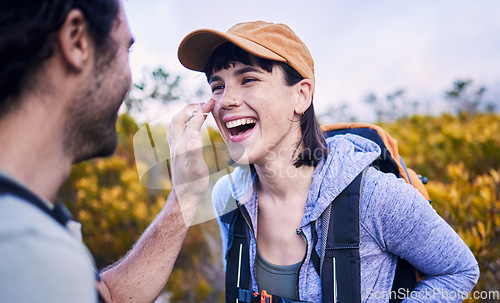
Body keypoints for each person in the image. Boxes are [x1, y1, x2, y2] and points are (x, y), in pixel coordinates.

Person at [177, 21, 480, 302]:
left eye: (248, 79)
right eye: (218, 86)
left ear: (301, 96)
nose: (226, 100)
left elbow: (459, 272)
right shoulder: (228, 197)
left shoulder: (374, 196)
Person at [0, 1, 214, 302]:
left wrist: (186, 196)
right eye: (127, 50)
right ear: (77, 41)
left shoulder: (33, 224)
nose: (130, 80)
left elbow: (108, 297)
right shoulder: (25, 248)